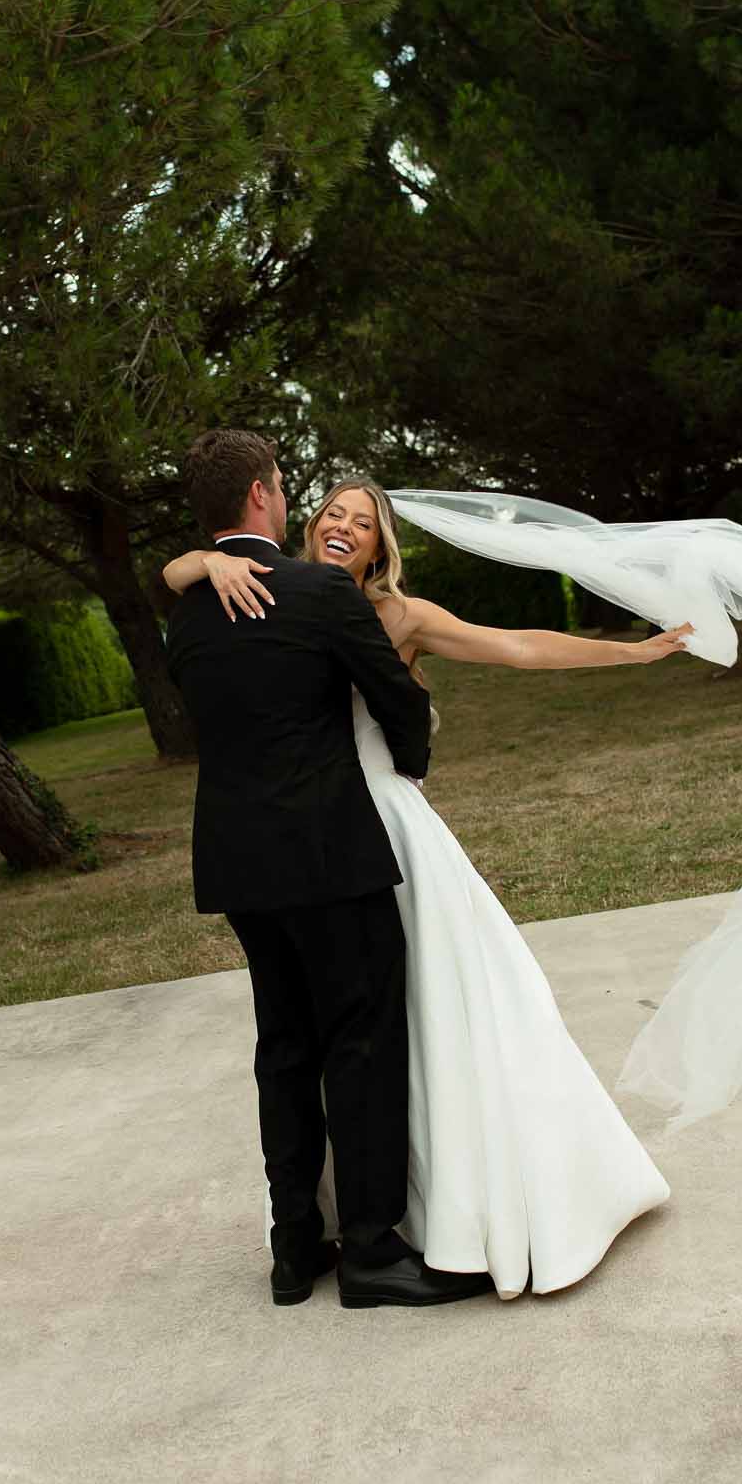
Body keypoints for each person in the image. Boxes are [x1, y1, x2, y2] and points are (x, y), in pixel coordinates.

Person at [164, 472, 692, 1299]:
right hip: (332, 842)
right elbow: (193, 581)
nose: (345, 527)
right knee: (351, 1036)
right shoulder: (258, 593)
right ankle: (361, 1238)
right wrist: (202, 561)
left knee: (403, 1021)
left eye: (363, 523)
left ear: (381, 547)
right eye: (333, 514)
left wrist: (635, 649)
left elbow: (515, 645)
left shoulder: (394, 615)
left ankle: (358, 1224)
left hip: (357, 837)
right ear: (297, 521)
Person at [164, 432, 496, 1311]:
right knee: (361, 1040)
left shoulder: (186, 609)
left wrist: (195, 561)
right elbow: (399, 703)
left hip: (236, 862)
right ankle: (374, 1251)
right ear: (266, 496)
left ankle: (292, 1248)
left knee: (284, 1049)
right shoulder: (317, 593)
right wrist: (414, 764)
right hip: (329, 855)